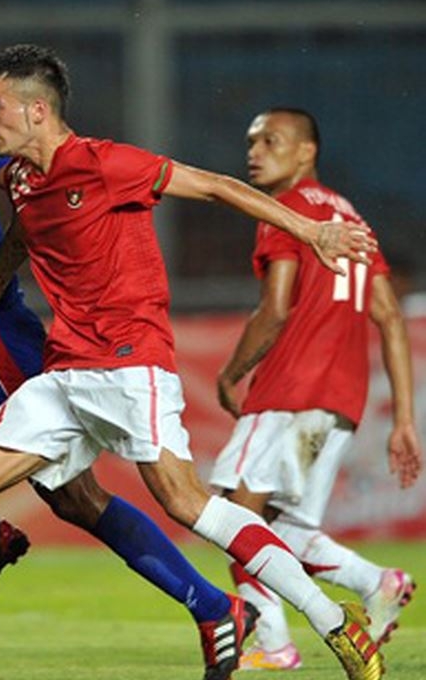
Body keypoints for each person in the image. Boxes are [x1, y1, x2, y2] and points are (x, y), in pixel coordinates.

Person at [0, 44, 384, 680]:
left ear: (37, 111)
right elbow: (22, 233)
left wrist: (311, 232)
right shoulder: (20, 178)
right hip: (65, 372)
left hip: (130, 364)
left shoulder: (107, 163)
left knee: (186, 503)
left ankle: (332, 620)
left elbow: (220, 186)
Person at [209, 108, 421, 671]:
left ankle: (272, 639)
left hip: (290, 392)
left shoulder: (286, 212)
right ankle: (378, 583)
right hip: (339, 402)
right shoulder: (353, 219)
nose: (254, 151)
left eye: (270, 141)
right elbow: (390, 317)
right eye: (251, 141)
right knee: (287, 531)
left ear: (306, 152)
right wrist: (403, 419)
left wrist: (232, 373)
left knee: (234, 516)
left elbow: (276, 309)